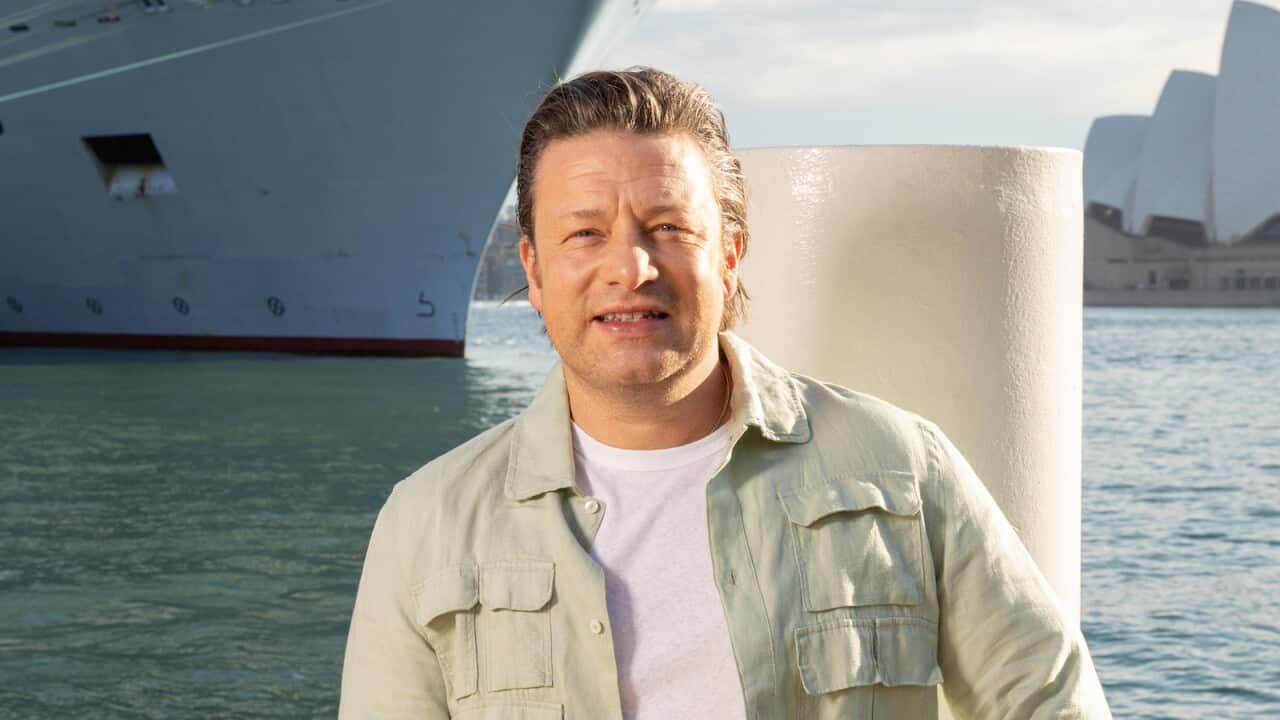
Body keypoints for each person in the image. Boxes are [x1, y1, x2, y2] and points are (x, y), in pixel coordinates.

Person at [339, 67, 1112, 720]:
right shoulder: (428, 524)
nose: (631, 267)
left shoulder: (904, 471)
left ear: (731, 254)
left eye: (669, 227)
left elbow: (1051, 701)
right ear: (533, 271)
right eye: (585, 233)